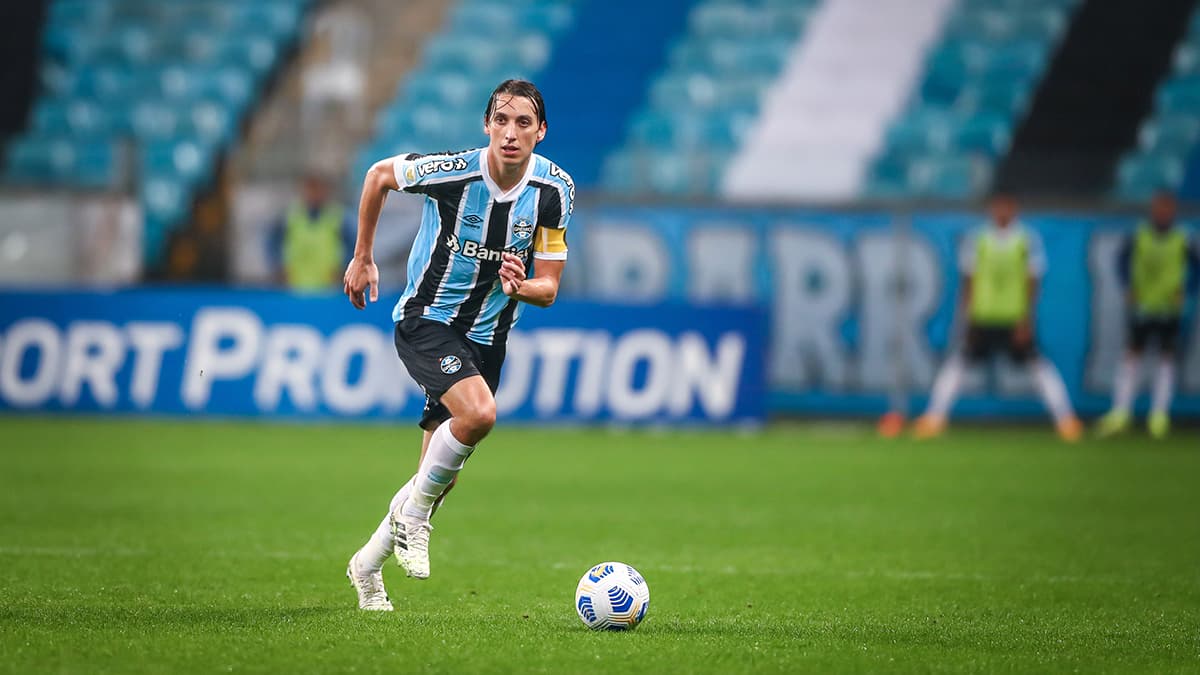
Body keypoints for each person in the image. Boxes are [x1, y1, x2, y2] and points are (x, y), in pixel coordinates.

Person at [341, 79, 573, 611]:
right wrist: (362, 256)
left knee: (435, 480)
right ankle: (415, 520)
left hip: (488, 337)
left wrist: (522, 287)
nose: (510, 133)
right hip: (428, 319)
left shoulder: (554, 192)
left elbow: (550, 287)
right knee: (480, 415)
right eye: (501, 120)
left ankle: (367, 566)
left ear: (540, 132)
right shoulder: (454, 172)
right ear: (487, 125)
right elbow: (379, 176)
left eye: (522, 123)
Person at [912, 193, 1083, 442]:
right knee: (958, 364)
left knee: (1038, 365)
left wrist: (1026, 319)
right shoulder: (978, 239)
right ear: (991, 208)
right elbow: (968, 281)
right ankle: (935, 418)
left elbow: (1032, 282)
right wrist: (967, 316)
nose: (1001, 210)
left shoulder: (1027, 240)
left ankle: (1066, 419)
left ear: (1014, 208)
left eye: (1006, 206)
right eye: (997, 206)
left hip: (1013, 318)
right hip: (983, 317)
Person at [1096, 190, 1198, 439]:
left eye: (1167, 207)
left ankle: (1158, 415)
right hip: (1142, 305)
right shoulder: (1138, 235)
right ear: (1152, 209)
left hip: (1169, 308)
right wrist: (1127, 287)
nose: (1162, 212)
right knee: (1132, 355)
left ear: (1173, 210)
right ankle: (1121, 412)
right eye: (1158, 207)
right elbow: (1121, 262)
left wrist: (1188, 291)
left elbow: (1197, 267)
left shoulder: (1183, 238)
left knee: (1166, 358)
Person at [267, 172, 356, 290]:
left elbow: (355, 248)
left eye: (318, 189)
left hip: (329, 288)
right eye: (311, 189)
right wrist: (279, 268)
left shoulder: (339, 218)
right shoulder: (289, 217)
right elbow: (271, 245)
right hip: (295, 286)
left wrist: (344, 271)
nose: (314, 194)